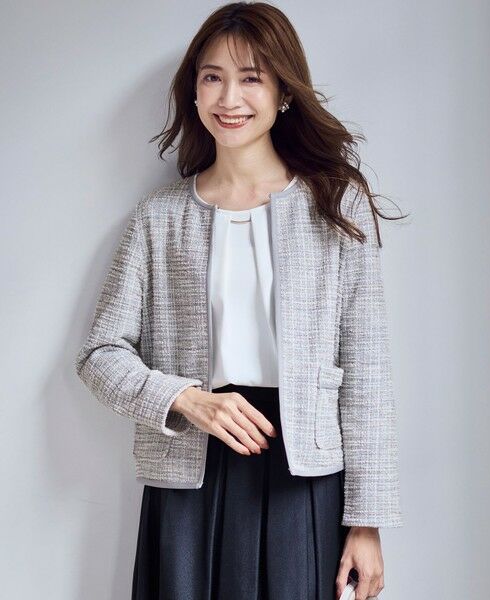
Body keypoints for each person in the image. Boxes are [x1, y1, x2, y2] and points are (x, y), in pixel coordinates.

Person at [75, 2, 406, 599]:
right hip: (189, 473)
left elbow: (366, 372)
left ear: (284, 92)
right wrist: (184, 399)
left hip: (302, 477)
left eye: (251, 77)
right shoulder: (158, 218)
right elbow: (100, 354)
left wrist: (367, 521)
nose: (229, 98)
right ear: (194, 90)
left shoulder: (336, 206)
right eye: (212, 77)